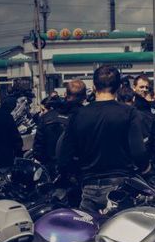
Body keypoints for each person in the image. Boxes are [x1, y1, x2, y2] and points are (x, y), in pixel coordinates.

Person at [57, 65, 149, 212]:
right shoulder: (129, 112)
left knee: (89, 225)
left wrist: (75, 175)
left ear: (94, 87)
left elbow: (64, 156)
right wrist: (146, 168)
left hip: (89, 186)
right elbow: (138, 152)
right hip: (119, 188)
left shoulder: (79, 115)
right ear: (118, 87)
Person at [33, 79, 86, 168]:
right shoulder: (87, 117)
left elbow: (37, 151)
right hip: (78, 171)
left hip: (51, 170)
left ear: (66, 94)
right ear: (84, 97)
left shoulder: (47, 117)